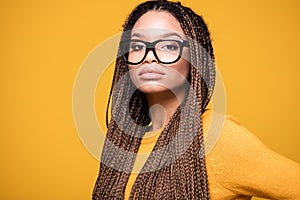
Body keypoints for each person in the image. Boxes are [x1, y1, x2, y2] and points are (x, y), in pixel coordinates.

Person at [92, 0, 300, 199]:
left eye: (168, 46)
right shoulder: (125, 144)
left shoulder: (217, 137)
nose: (149, 56)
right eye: (137, 46)